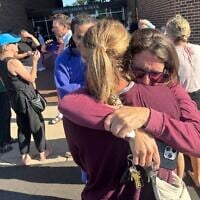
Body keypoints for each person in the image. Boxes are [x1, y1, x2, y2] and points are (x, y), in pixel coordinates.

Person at [59, 20, 195, 199]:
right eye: (142, 72)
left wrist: (145, 116)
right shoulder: (165, 95)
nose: (147, 80)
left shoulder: (75, 110)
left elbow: (81, 162)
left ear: (85, 56)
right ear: (127, 56)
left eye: (155, 74)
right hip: (154, 193)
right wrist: (133, 129)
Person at [54, 13, 96, 183]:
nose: (85, 40)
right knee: (85, 157)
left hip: (102, 117)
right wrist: (93, 89)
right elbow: (64, 91)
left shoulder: (102, 55)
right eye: (79, 36)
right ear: (73, 35)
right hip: (78, 118)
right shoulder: (63, 59)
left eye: (89, 35)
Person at [0, 33, 51, 165]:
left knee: (23, 126)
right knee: (37, 124)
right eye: (14, 43)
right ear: (6, 47)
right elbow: (31, 78)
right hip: (26, 96)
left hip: (14, 97)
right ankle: (42, 152)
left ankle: (25, 156)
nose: (17, 45)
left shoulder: (1, 63)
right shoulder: (13, 62)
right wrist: (34, 62)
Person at [165, 14, 200, 187]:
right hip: (198, 94)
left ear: (169, 34)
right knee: (196, 136)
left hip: (180, 98)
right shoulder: (198, 49)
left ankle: (178, 180)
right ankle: (198, 175)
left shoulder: (169, 54)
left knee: (177, 140)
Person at [49, 13, 73, 124]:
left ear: (64, 27)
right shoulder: (65, 40)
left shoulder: (72, 39)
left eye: (55, 27)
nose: (53, 30)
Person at [0, 77, 13, 153]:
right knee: (3, 116)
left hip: (3, 88)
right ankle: (1, 143)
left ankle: (7, 138)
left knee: (7, 114)